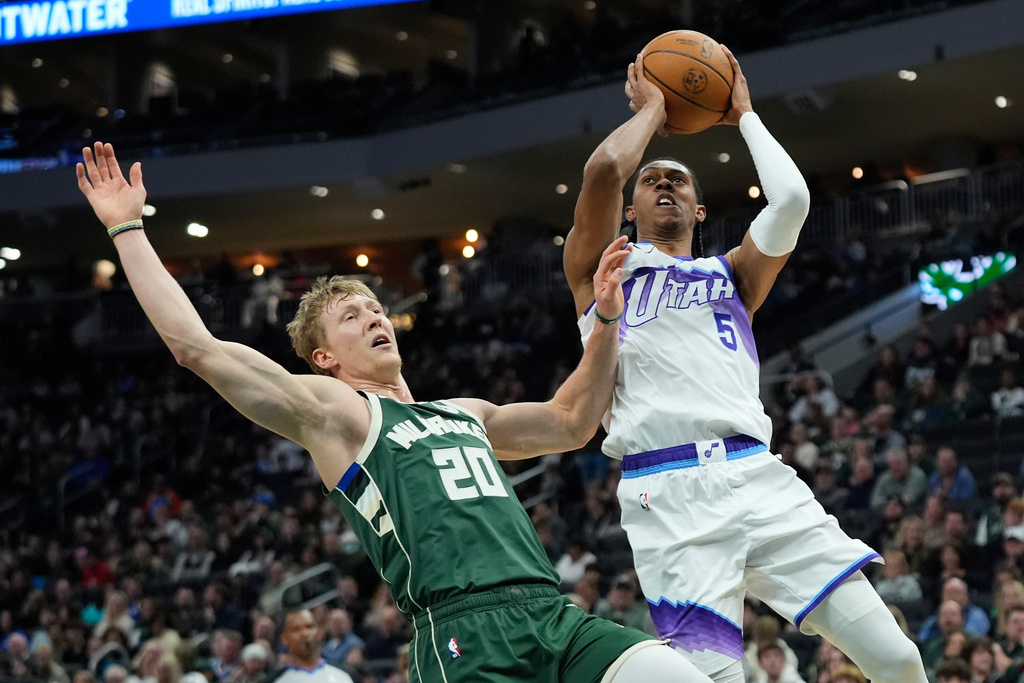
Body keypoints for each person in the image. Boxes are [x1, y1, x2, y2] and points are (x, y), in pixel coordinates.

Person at [77, 142, 711, 683]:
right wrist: (127, 231)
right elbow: (198, 349)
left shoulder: (465, 412)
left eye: (376, 308)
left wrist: (605, 316)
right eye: (352, 317)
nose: (375, 317)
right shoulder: (338, 415)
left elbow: (573, 421)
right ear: (323, 356)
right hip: (461, 634)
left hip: (552, 613)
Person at [562, 49, 926, 683]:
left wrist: (745, 116)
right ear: (632, 209)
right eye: (653, 180)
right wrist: (654, 108)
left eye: (680, 180)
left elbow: (790, 200)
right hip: (668, 491)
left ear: (701, 211)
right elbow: (602, 170)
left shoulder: (733, 274)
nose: (666, 184)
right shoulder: (601, 270)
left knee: (897, 658)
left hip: (759, 478)